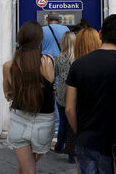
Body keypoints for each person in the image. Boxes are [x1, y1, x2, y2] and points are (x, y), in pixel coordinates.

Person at [66, 14, 116, 174]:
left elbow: (69, 108)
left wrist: (81, 132)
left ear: (100, 34)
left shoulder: (78, 64)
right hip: (115, 146)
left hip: (86, 142)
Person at [3, 21, 55, 174]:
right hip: (44, 121)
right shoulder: (47, 61)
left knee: (26, 168)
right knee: (29, 167)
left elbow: (7, 94)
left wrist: (14, 91)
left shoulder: (9, 66)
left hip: (19, 118)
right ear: (40, 40)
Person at [65, 27, 102, 169]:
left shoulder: (76, 67)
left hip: (82, 129)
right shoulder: (109, 65)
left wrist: (77, 130)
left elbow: (69, 108)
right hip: (106, 131)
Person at [41, 11, 70, 133]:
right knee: (59, 95)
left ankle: (46, 126)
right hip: (62, 63)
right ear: (59, 20)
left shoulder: (42, 30)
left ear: (47, 19)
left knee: (45, 94)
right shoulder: (65, 29)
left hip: (45, 63)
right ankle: (58, 127)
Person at [53, 31, 76, 163]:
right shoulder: (79, 58)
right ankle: (72, 155)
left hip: (62, 94)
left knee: (63, 122)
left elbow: (55, 73)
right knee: (73, 124)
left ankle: (59, 146)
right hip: (75, 94)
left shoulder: (58, 58)